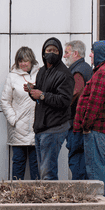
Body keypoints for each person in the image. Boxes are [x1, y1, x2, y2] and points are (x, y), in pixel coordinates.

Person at [73, 41, 105, 198]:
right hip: (103, 128)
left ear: (100, 54)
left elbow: (94, 103)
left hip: (96, 128)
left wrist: (85, 125)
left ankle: (99, 205)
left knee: (95, 169)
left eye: (93, 52)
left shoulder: (103, 73)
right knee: (101, 166)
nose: (90, 55)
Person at [26, 37, 73, 180]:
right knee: (43, 170)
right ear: (43, 53)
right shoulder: (42, 71)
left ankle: (51, 201)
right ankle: (47, 199)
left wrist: (42, 95)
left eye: (55, 50)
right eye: (49, 50)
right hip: (41, 126)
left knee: (47, 172)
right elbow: (41, 95)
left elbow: (65, 100)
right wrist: (32, 91)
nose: (51, 53)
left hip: (54, 126)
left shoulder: (65, 74)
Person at [1, 47, 39, 180]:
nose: (23, 64)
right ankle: (16, 194)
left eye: (26, 61)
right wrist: (13, 119)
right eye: (20, 61)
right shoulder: (12, 77)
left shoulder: (40, 74)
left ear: (31, 61)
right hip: (18, 128)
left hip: (36, 127)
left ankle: (37, 194)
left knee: (36, 164)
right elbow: (5, 101)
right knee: (18, 162)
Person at [64, 40, 92, 181]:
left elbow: (75, 93)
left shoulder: (78, 71)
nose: (64, 56)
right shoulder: (85, 68)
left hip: (76, 124)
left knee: (77, 158)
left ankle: (79, 191)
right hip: (81, 123)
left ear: (75, 53)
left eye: (66, 52)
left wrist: (60, 105)